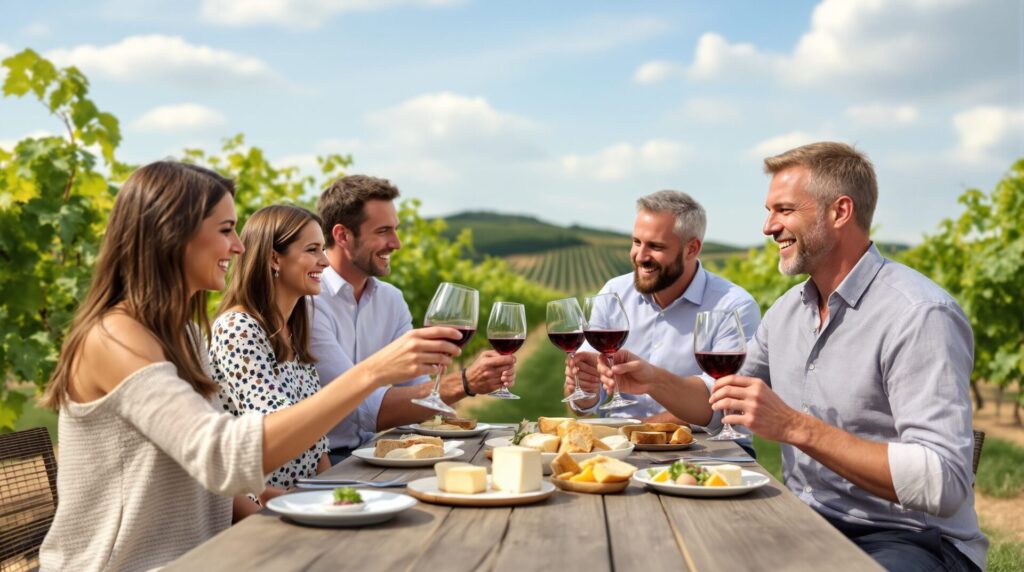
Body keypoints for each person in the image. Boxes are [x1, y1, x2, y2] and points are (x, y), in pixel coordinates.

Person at [38, 161, 463, 572]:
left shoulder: (184, 336)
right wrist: (371, 373)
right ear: (173, 235)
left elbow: (215, 482)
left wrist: (285, 509)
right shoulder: (113, 338)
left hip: (206, 556)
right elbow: (222, 458)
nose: (240, 247)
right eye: (226, 231)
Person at [603, 143, 986, 571]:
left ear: (840, 212)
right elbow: (719, 401)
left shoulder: (918, 314)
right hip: (805, 519)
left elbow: (945, 480)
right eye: (769, 211)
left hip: (910, 540)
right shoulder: (787, 313)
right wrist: (654, 379)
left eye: (784, 210)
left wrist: (794, 427)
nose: (768, 227)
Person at [310, 175, 515, 463]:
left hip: (374, 453)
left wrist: (461, 430)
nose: (396, 243)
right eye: (383, 231)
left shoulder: (390, 299)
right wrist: (465, 383)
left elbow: (418, 390)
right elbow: (363, 410)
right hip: (324, 462)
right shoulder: (311, 301)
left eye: (395, 230)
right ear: (343, 235)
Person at [564, 190, 760, 433]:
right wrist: (584, 389)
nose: (640, 256)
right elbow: (583, 402)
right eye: (636, 242)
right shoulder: (614, 293)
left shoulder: (733, 306)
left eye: (655, 246)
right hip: (620, 445)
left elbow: (724, 404)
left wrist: (636, 431)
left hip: (704, 451)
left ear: (691, 249)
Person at [208, 205, 331, 520]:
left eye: (324, 249)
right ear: (274, 258)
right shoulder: (238, 329)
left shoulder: (292, 332)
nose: (325, 261)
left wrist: (336, 501)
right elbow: (271, 434)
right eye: (312, 250)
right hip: (261, 515)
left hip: (304, 507)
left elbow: (318, 448)